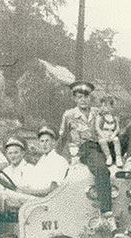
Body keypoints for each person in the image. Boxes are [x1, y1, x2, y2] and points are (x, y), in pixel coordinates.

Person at [57, 81, 114, 226]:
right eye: (79, 97)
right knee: (101, 169)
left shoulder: (97, 111)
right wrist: (57, 158)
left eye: (86, 97)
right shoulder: (69, 115)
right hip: (86, 148)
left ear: (90, 98)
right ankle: (106, 210)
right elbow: (62, 138)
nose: (83, 100)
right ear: (75, 99)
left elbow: (111, 122)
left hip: (103, 145)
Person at [0, 136, 51, 230]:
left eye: (16, 152)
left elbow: (38, 191)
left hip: (30, 202)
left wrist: (20, 190)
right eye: (10, 153)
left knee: (2, 195)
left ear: (23, 153)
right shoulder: (6, 171)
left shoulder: (30, 169)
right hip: (12, 200)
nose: (12, 156)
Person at [32, 126, 69, 191]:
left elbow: (53, 189)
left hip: (49, 198)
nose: (44, 144)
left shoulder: (60, 161)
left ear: (53, 142)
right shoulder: (41, 160)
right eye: (42, 141)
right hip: (36, 196)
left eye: (47, 141)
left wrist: (30, 192)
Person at [96, 95, 124, 168]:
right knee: (102, 141)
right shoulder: (100, 117)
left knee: (116, 139)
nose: (106, 108)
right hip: (103, 134)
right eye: (104, 106)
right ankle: (108, 157)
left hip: (111, 134)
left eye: (108, 106)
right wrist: (103, 135)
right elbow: (97, 128)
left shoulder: (115, 118)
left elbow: (117, 128)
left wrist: (113, 135)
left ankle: (118, 157)